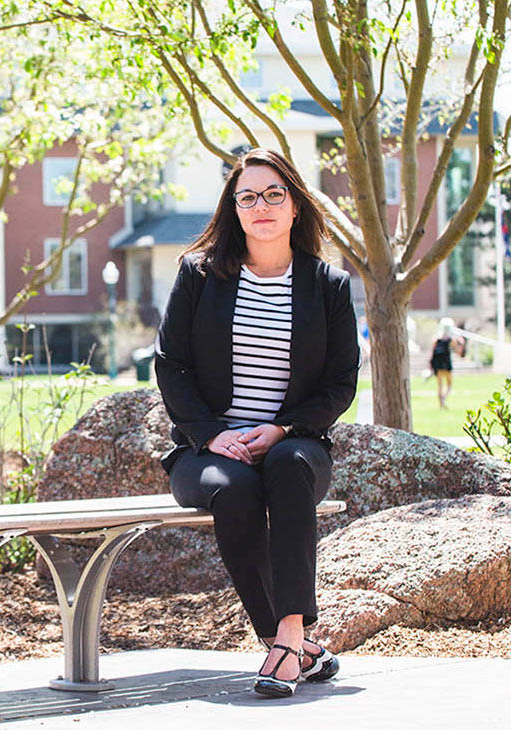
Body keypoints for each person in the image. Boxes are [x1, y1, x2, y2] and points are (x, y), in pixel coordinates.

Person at [154, 148, 360, 698]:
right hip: (207, 450)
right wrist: (211, 434)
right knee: (237, 489)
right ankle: (292, 647)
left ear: (295, 205)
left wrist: (284, 429)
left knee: (288, 468)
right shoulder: (199, 275)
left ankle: (288, 635)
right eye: (247, 197)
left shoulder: (328, 286)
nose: (260, 205)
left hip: (296, 444)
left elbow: (341, 383)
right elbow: (170, 363)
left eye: (274, 194)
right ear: (234, 210)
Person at [429, 318, 458, 408]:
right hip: (446, 363)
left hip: (438, 364)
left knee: (440, 385)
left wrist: (431, 365)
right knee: (449, 385)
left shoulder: (436, 339)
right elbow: (457, 351)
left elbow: (432, 353)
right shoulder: (451, 340)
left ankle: (441, 403)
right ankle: (443, 399)